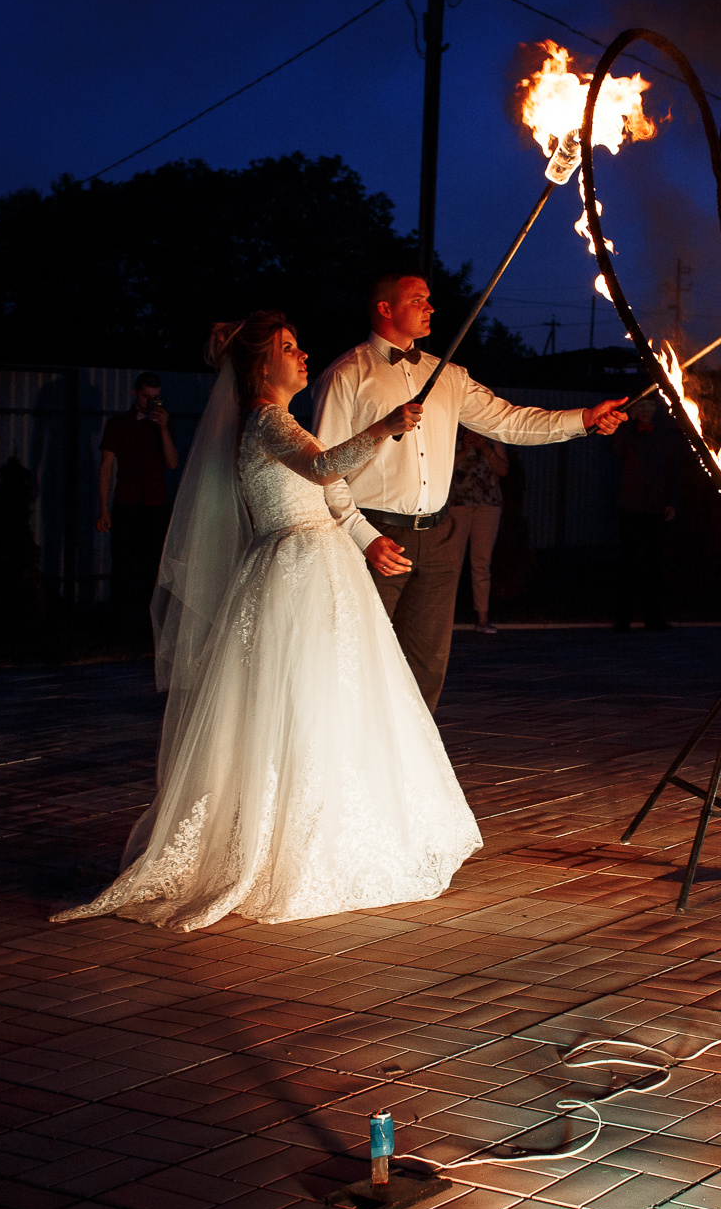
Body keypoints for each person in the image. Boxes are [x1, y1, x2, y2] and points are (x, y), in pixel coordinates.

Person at [53, 311, 480, 931]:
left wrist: (363, 534)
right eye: (288, 347)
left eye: (300, 344)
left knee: (334, 701)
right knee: (299, 701)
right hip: (293, 571)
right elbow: (322, 468)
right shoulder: (263, 417)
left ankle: (338, 828)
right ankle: (292, 843)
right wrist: (386, 426)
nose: (302, 354)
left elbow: (329, 486)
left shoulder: (283, 421)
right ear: (260, 365)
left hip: (323, 566)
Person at [313, 274, 627, 709]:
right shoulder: (346, 375)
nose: (430, 307)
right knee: (357, 658)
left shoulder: (448, 376)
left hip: (441, 538)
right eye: (417, 299)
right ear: (385, 308)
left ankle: (413, 767)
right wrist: (364, 539)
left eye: (429, 299)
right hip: (377, 538)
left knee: (426, 665)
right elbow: (325, 471)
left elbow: (510, 421)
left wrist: (585, 419)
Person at [97, 372, 177, 631]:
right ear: (135, 393)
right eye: (147, 397)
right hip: (127, 503)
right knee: (124, 565)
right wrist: (104, 509)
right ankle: (122, 626)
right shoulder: (118, 424)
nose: (151, 402)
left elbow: (172, 462)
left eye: (156, 397)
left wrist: (163, 428)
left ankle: (148, 628)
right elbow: (106, 467)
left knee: (152, 567)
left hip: (156, 505)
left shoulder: (161, 424)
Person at [611, 396, 682, 631]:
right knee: (627, 564)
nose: (645, 411)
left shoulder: (665, 433)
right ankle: (622, 618)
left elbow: (673, 467)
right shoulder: (628, 432)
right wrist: (628, 424)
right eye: (641, 407)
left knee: (655, 565)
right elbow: (617, 449)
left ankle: (654, 618)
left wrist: (671, 501)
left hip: (655, 508)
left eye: (650, 407)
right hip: (630, 506)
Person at [444, 428, 508, 635]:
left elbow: (503, 469)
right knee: (451, 563)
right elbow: (443, 468)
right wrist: (465, 449)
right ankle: (443, 617)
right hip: (457, 504)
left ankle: (482, 618)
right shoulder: (452, 431)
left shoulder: (493, 434)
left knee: (481, 563)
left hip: (488, 505)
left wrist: (485, 448)